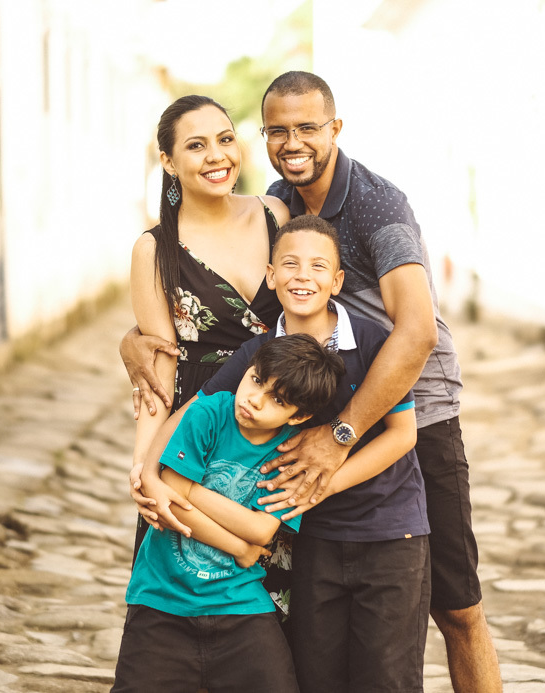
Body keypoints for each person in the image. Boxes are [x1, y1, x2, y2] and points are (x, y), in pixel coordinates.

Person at [122, 72, 503, 692]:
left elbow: (416, 334)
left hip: (402, 405)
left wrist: (341, 435)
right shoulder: (279, 202)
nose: (292, 142)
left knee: (456, 604)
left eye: (307, 128)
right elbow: (173, 335)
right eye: (278, 130)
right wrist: (134, 348)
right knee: (282, 615)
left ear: (335, 128)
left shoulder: (371, 207)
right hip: (249, 420)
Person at [139, 216, 430, 692]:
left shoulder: (372, 341)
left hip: (387, 527)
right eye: (290, 264)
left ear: (337, 281)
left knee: (386, 677)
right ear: (271, 275)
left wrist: (319, 485)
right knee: (316, 675)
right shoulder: (258, 355)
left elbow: (402, 435)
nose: (302, 276)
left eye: (318, 266)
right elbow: (192, 409)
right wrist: (150, 471)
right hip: (310, 539)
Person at [112, 333, 344, 693]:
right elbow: (169, 502)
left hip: (240, 603)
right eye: (256, 380)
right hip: (161, 596)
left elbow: (261, 531)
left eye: (277, 399)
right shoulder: (208, 414)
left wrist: (189, 489)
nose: (254, 399)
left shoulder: (290, 455)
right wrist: (239, 547)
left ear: (299, 415)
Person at [126, 94, 290, 558]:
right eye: (196, 146)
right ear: (168, 161)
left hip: (275, 415)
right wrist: (143, 463)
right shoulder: (154, 250)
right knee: (187, 562)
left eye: (225, 140)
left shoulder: (275, 216)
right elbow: (158, 367)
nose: (217, 156)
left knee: (275, 569)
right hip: (198, 423)